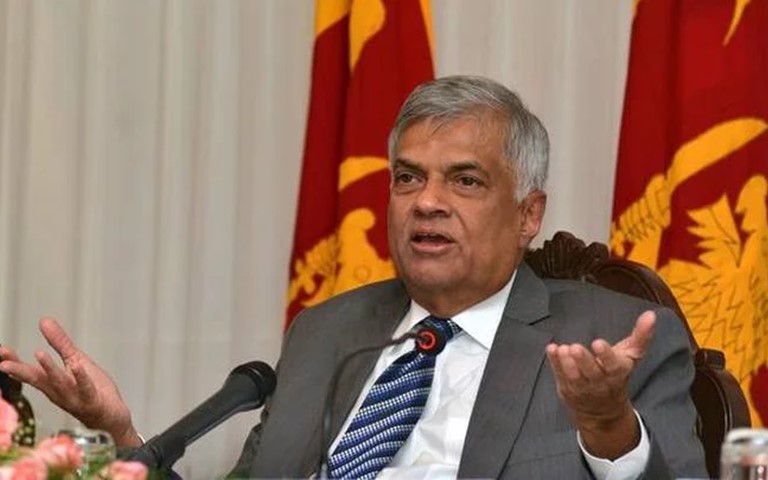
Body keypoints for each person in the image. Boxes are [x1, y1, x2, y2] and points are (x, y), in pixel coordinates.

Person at [0, 75, 706, 479]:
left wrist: (609, 428)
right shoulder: (327, 332)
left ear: (528, 214)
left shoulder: (608, 335)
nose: (426, 202)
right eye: (408, 178)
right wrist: (120, 433)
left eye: (464, 180)